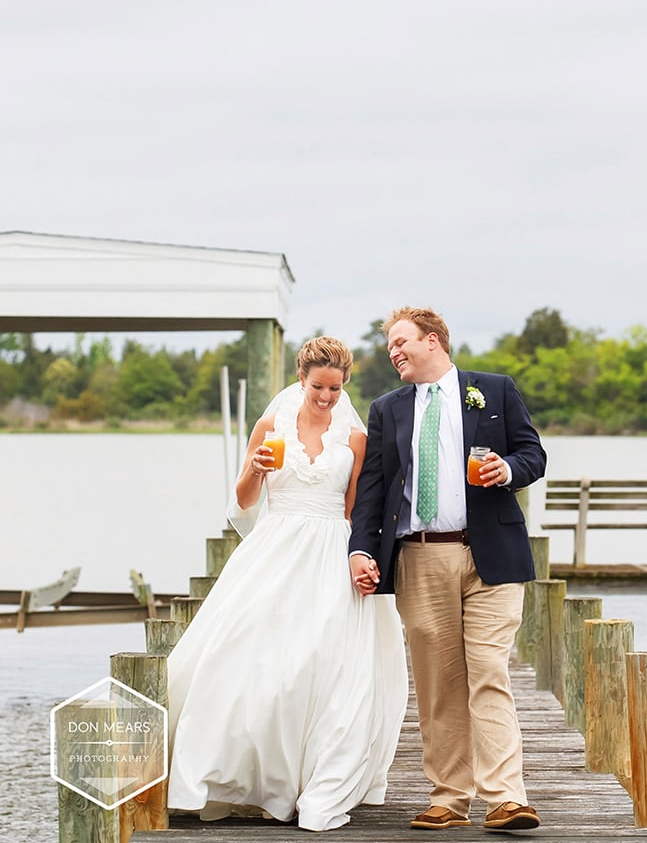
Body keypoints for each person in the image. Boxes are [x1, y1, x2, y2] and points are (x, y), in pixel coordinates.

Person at [167, 336, 408, 832]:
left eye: (335, 389)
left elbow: (354, 511)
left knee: (326, 662)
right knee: (250, 655)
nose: (325, 397)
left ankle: (315, 774)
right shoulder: (271, 425)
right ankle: (243, 775)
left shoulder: (355, 438)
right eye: (318, 386)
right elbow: (243, 499)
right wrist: (255, 470)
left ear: (345, 386)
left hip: (331, 551)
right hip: (276, 546)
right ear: (301, 379)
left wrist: (357, 559)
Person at [349, 307, 546, 832]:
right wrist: (361, 551)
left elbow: (533, 452)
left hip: (492, 555)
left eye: (400, 342)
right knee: (438, 684)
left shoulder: (494, 390)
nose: (393, 352)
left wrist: (508, 469)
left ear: (432, 341)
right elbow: (372, 491)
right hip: (419, 556)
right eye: (389, 345)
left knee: (489, 672)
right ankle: (449, 797)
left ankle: (506, 797)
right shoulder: (386, 409)